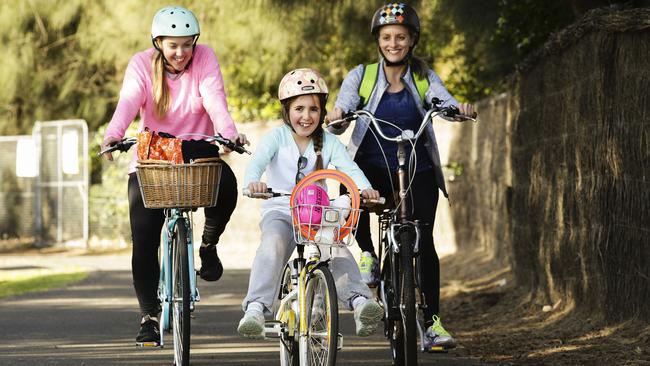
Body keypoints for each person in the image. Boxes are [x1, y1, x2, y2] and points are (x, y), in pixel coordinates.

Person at [326, 3, 475, 349]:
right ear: (378, 40)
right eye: (387, 37)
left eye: (401, 37)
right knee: (350, 191)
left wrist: (459, 109)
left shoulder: (423, 76)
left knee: (424, 242)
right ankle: (367, 253)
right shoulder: (360, 76)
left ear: (412, 41)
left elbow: (443, 100)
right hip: (371, 167)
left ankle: (433, 323)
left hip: (416, 167)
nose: (394, 43)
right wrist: (339, 113)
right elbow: (342, 110)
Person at [100, 6, 249, 345]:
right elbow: (127, 102)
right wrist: (112, 135)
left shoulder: (205, 58)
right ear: (158, 43)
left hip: (197, 153)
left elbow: (215, 100)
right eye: (173, 46)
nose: (181, 53)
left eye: (187, 45)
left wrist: (229, 133)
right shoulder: (141, 64)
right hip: (153, 157)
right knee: (144, 237)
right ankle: (149, 316)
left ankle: (208, 246)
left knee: (226, 186)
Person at [238, 68, 383, 339]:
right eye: (299, 109)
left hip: (317, 215)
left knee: (336, 249)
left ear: (321, 112)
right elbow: (256, 164)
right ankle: (256, 308)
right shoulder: (276, 138)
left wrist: (366, 189)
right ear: (287, 110)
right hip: (281, 209)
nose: (306, 117)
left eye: (314, 109)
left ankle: (361, 302)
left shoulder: (328, 141)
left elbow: (349, 169)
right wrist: (253, 183)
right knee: (272, 246)